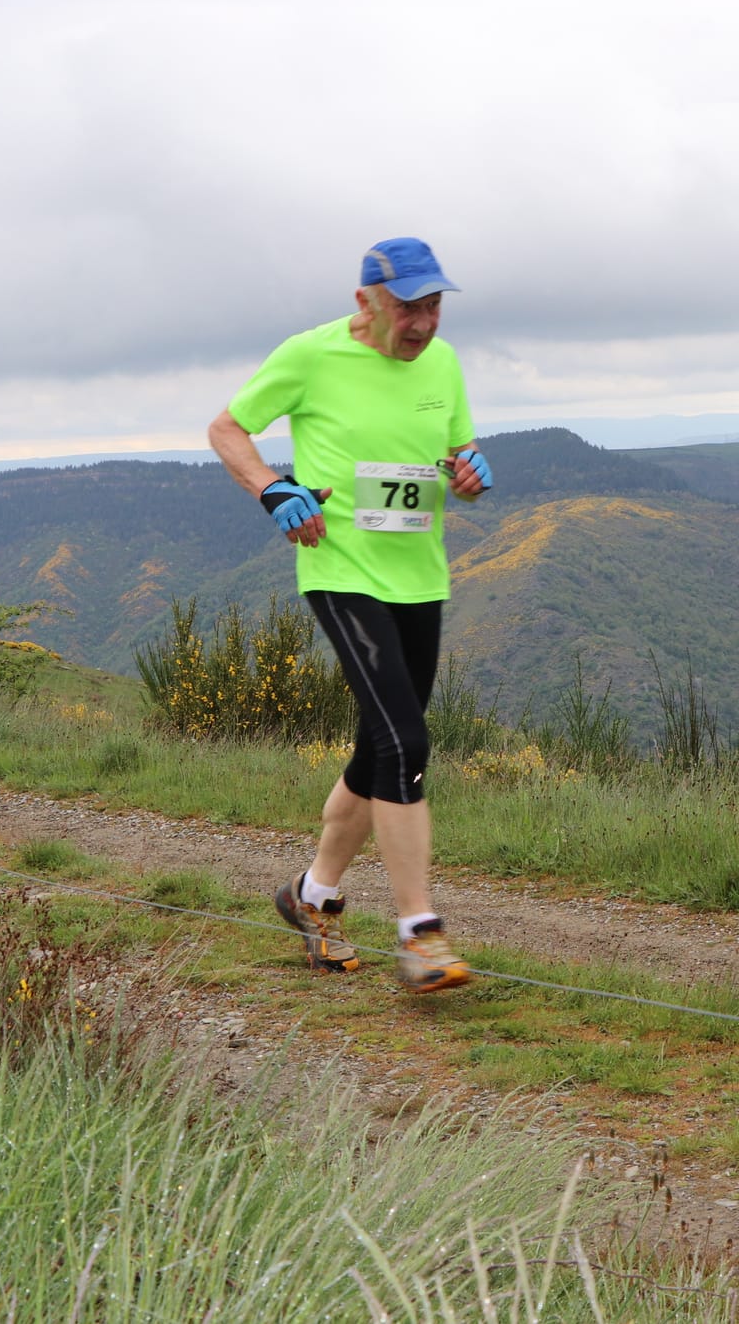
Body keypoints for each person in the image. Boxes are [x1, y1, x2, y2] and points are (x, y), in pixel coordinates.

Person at [206, 237, 493, 993]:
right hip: (339, 570)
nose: (424, 323)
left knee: (381, 752)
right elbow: (227, 430)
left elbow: (456, 452)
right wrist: (271, 488)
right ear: (367, 300)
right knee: (406, 742)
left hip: (420, 579)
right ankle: (420, 934)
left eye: (434, 306)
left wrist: (469, 471)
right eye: (409, 307)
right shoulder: (310, 356)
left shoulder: (445, 363)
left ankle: (313, 897)